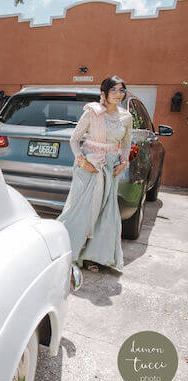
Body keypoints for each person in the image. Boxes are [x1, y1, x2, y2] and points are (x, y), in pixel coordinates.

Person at [57, 76, 132, 272]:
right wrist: (83, 161)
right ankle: (64, 249)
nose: (118, 94)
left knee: (105, 213)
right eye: (114, 90)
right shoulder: (93, 113)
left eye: (121, 90)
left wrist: (124, 163)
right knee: (82, 211)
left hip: (111, 168)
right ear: (104, 93)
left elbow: (125, 144)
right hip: (90, 167)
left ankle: (92, 256)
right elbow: (74, 140)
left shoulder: (126, 117)